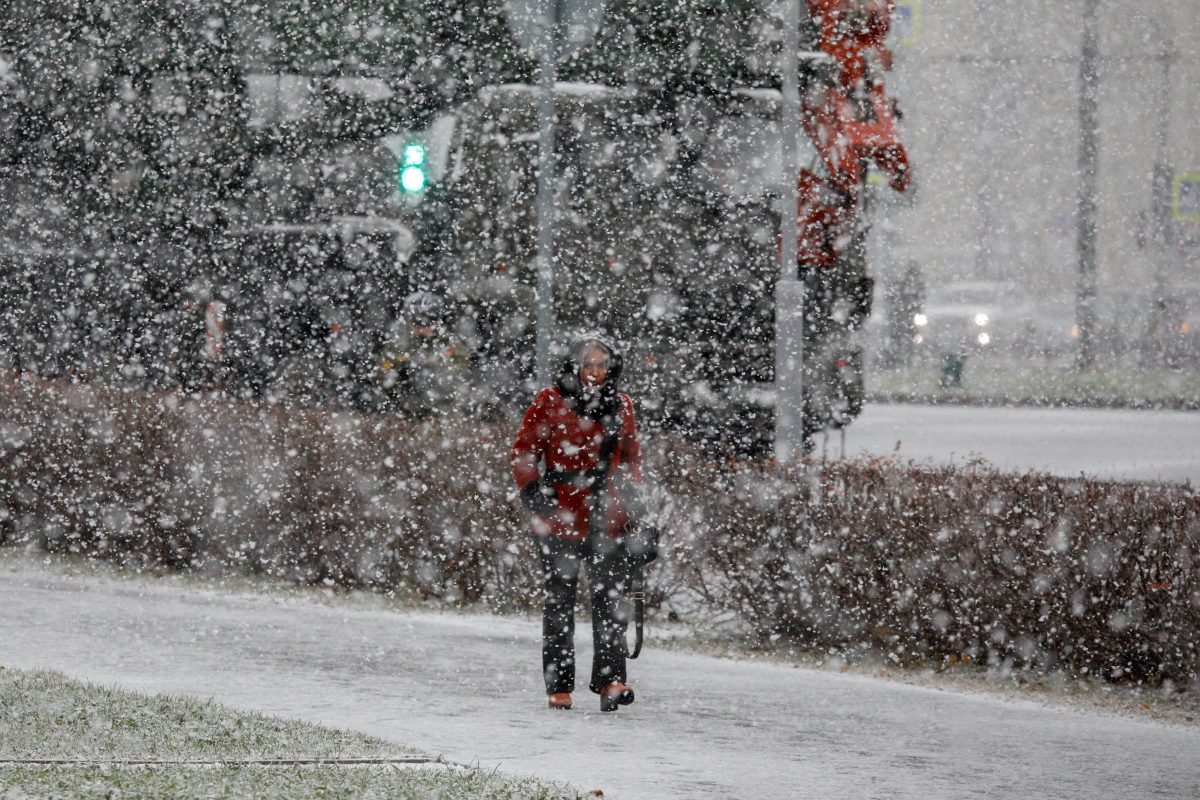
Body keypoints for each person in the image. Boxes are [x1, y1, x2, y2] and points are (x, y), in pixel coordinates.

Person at [510, 333, 644, 712]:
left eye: (602, 365)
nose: (595, 372)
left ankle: (611, 680)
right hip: (559, 515)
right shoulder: (549, 401)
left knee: (611, 601)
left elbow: (632, 459)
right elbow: (523, 451)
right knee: (560, 602)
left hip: (609, 515)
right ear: (575, 365)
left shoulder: (622, 405)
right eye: (589, 364)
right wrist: (532, 489)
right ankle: (559, 684)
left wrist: (634, 504)